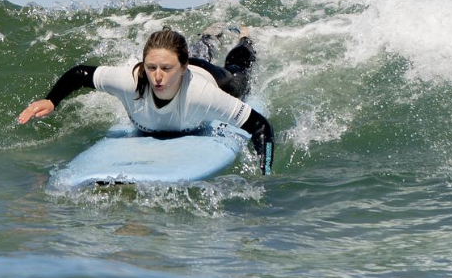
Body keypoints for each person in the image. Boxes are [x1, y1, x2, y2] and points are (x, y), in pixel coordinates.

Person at [18, 26, 274, 174]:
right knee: (186, 53)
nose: (157, 77)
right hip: (181, 62)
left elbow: (261, 126)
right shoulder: (130, 81)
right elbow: (81, 74)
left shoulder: (203, 96)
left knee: (239, 76)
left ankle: (246, 38)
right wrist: (52, 100)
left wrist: (265, 172)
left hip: (208, 76)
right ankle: (209, 37)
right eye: (151, 68)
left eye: (165, 69)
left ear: (182, 68)